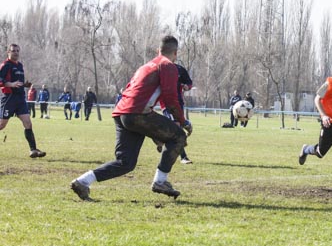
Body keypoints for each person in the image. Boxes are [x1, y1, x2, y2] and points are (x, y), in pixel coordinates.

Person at [70, 35, 192, 202]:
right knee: (179, 137)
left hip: (121, 113)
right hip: (137, 114)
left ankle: (82, 181)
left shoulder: (146, 66)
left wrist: (156, 132)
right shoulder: (168, 65)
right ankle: (160, 181)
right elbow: (171, 97)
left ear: (158, 50)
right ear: (175, 53)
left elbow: (135, 90)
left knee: (125, 163)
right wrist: (183, 122)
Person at [0, 44, 46, 158]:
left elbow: (18, 83)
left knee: (28, 123)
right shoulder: (5, 65)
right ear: (8, 52)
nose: (16, 53)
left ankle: (33, 150)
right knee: (2, 125)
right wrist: (11, 84)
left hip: (20, 99)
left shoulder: (20, 65)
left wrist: (25, 85)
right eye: (13, 51)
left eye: (17, 51)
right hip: (9, 98)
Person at [160, 63, 193, 164]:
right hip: (166, 103)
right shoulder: (159, 67)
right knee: (176, 128)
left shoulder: (179, 69)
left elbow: (189, 82)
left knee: (176, 130)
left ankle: (160, 139)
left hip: (178, 103)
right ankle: (183, 157)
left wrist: (187, 86)